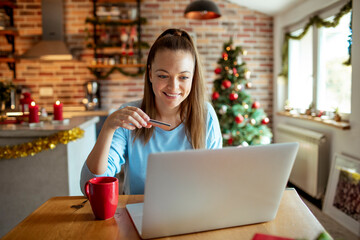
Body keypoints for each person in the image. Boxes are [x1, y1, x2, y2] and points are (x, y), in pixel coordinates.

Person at [80, 28, 222, 195]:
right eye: (163, 76)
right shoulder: (128, 117)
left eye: (183, 77)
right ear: (150, 74)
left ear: (193, 77)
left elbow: (216, 181)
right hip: (140, 215)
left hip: (194, 215)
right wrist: (108, 128)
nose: (173, 87)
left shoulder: (206, 115)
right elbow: (91, 185)